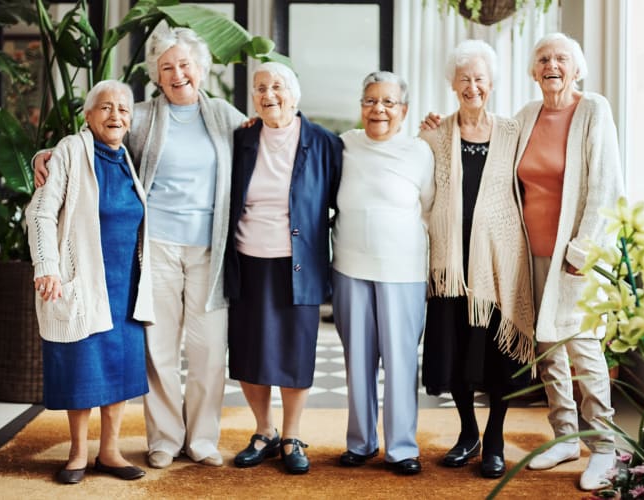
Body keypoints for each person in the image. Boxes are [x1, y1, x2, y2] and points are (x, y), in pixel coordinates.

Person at [34, 28, 246, 469]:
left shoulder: (225, 115)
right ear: (155, 75)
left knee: (209, 347)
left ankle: (203, 438)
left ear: (201, 69)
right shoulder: (144, 116)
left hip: (210, 247)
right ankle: (165, 438)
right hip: (155, 249)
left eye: (185, 64)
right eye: (166, 67)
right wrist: (48, 154)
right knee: (159, 348)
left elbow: (266, 137)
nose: (177, 74)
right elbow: (97, 141)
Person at [26, 80, 154, 484]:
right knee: (82, 364)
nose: (115, 115)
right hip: (82, 277)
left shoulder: (129, 157)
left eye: (123, 109)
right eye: (105, 107)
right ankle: (78, 453)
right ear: (87, 114)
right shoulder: (69, 151)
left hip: (126, 282)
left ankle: (110, 452)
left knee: (120, 368)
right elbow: (41, 212)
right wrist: (46, 266)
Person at [418, 40, 535, 479]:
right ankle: (468, 432)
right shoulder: (434, 133)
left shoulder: (512, 131)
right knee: (456, 355)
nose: (472, 86)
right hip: (449, 267)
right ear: (452, 83)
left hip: (498, 265)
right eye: (464, 78)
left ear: (492, 83)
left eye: (480, 78)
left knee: (497, 358)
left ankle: (496, 439)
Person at [514, 33, 623, 491]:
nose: (551, 65)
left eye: (561, 58)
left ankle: (604, 447)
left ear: (576, 68)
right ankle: (564, 436)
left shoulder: (592, 109)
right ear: (533, 70)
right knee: (547, 347)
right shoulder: (525, 116)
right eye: (543, 59)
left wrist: (584, 248)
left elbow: (606, 185)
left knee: (582, 344)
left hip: (574, 254)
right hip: (531, 252)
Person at [224, 62, 343, 475]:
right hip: (247, 258)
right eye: (260, 87)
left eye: (277, 86)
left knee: (295, 351)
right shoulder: (241, 139)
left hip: (299, 263)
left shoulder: (325, 143)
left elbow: (345, 196)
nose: (268, 94)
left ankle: (292, 434)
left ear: (294, 93)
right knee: (249, 351)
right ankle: (264, 431)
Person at [332, 71, 435, 476]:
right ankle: (360, 442)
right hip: (349, 266)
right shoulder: (343, 146)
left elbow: (429, 207)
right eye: (371, 101)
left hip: (403, 270)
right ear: (360, 107)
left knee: (401, 360)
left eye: (389, 102)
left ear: (404, 111)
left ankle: (402, 447)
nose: (379, 109)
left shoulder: (420, 151)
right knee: (357, 358)